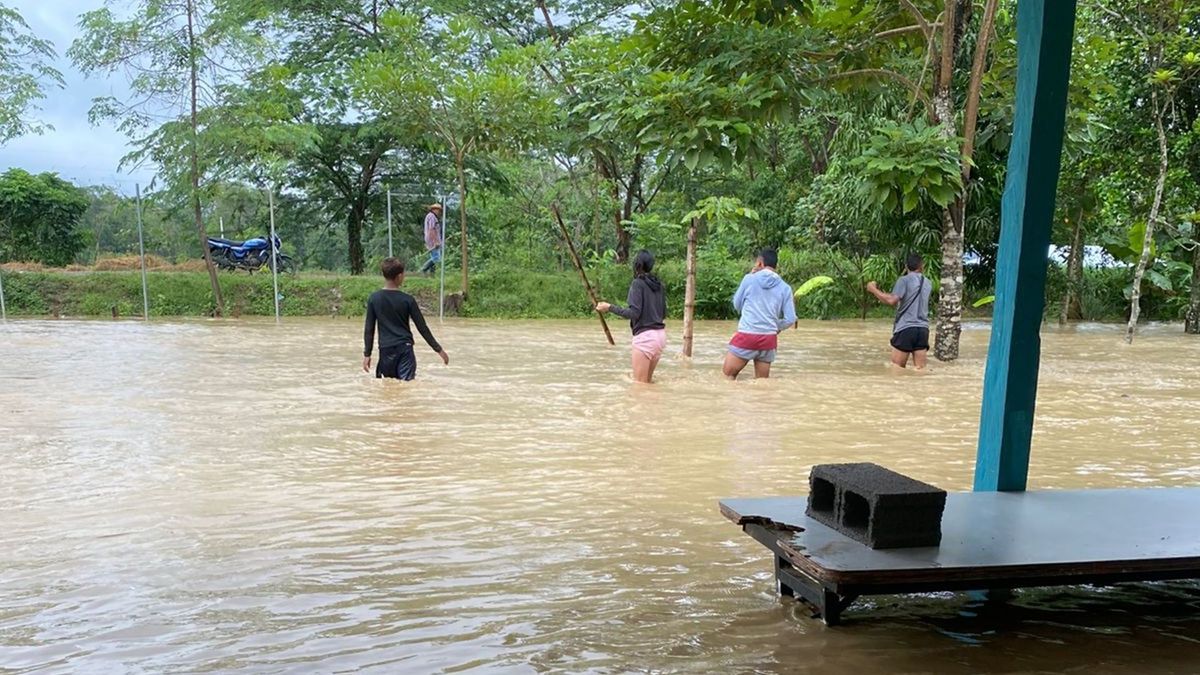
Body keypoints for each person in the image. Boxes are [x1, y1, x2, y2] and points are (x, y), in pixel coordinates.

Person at [363, 257, 449, 380]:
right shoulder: (408, 300)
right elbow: (422, 328)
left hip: (385, 350)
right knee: (406, 386)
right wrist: (439, 350)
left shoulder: (374, 298)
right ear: (399, 276)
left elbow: (369, 329)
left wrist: (367, 354)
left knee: (388, 388)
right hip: (405, 348)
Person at [723, 248, 797, 380]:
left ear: (759, 263)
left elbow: (737, 305)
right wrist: (776, 326)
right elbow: (790, 319)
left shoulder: (749, 279)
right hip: (768, 340)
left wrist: (750, 276)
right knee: (762, 383)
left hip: (747, 335)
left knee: (727, 376)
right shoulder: (785, 287)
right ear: (776, 265)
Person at [595, 250, 667, 384]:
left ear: (636, 265)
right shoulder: (659, 285)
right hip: (660, 337)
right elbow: (663, 314)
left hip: (645, 338)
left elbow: (633, 313)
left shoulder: (637, 284)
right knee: (648, 384)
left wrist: (609, 307)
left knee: (639, 386)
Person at [866, 252, 932, 369]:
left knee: (896, 368)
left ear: (906, 266)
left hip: (906, 328)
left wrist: (873, 290)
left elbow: (892, 300)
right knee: (920, 370)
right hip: (923, 330)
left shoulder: (904, 280)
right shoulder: (928, 283)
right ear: (922, 266)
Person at [419, 203, 442, 275]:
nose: (439, 212)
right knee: (436, 258)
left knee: (434, 257)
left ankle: (432, 274)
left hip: (432, 239)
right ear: (434, 210)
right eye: (438, 210)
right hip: (432, 240)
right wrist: (435, 242)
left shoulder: (431, 217)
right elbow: (432, 230)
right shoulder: (432, 217)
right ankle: (423, 269)